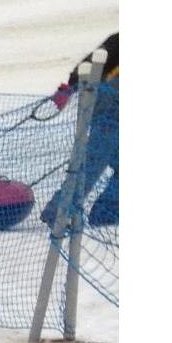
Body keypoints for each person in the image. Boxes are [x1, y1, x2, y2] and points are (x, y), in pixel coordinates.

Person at [41, 31, 118, 230]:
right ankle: (59, 211)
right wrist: (69, 88)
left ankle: (106, 215)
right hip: (109, 108)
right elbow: (90, 64)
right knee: (94, 162)